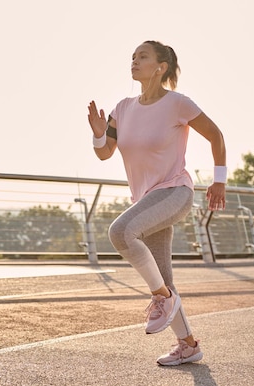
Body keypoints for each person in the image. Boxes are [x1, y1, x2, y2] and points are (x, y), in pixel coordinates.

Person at [87, 40, 227, 366]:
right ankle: (188, 345)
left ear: (160, 67)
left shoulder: (178, 103)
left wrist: (219, 180)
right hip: (147, 199)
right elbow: (105, 152)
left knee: (121, 232)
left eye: (143, 56)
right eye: (133, 56)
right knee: (164, 276)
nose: (134, 61)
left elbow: (216, 135)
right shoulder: (122, 108)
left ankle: (160, 298)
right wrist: (98, 133)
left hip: (175, 191)